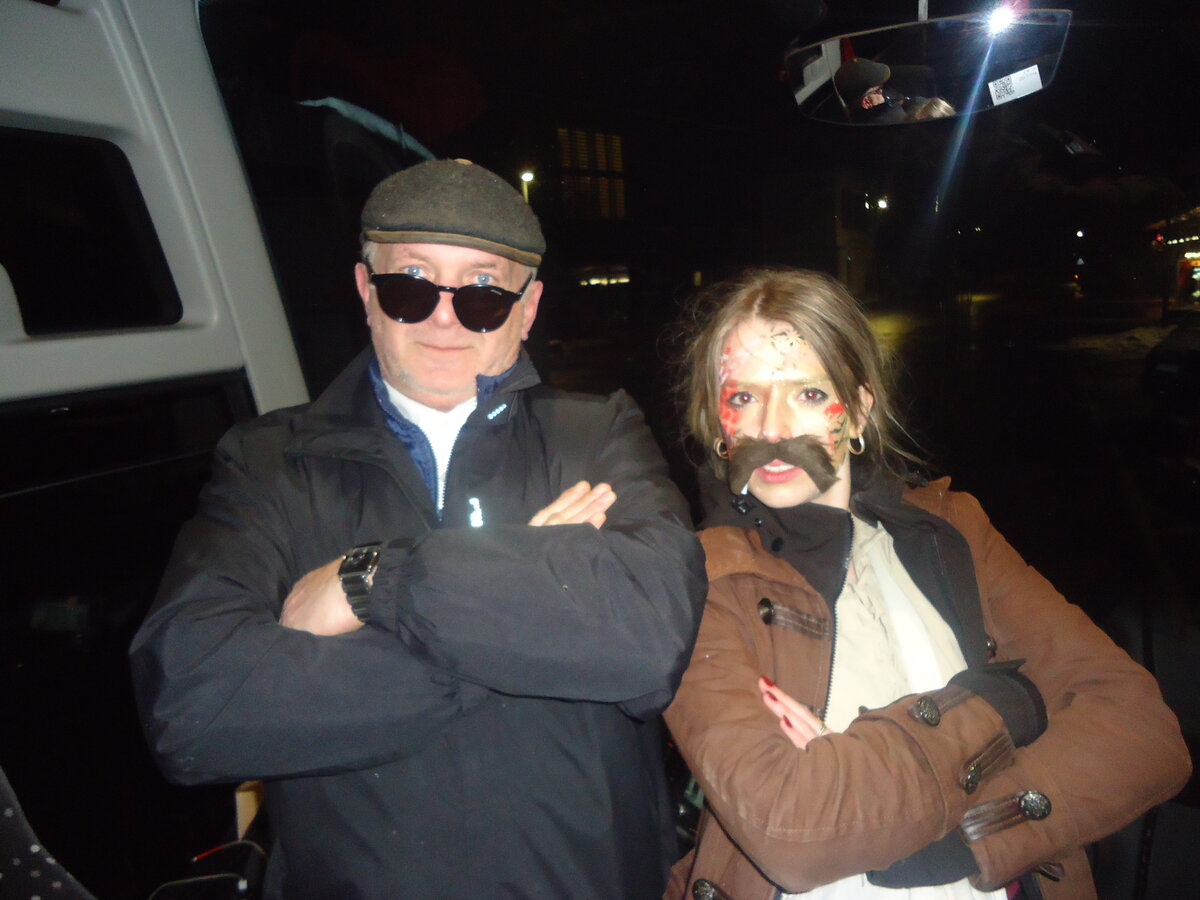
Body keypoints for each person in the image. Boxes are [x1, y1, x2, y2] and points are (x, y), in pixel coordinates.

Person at [130, 158, 707, 899]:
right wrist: (526, 614)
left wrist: (378, 579)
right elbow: (194, 709)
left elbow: (648, 644)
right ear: (366, 292)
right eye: (411, 284)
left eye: (483, 291)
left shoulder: (596, 435)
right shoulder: (272, 464)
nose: (443, 316)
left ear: (528, 308)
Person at [663, 268, 1190, 899]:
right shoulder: (696, 581)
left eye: (807, 394)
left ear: (860, 409)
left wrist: (978, 832)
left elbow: (1143, 729)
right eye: (744, 398)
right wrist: (1002, 704)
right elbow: (794, 831)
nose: (773, 429)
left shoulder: (950, 532)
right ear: (717, 424)